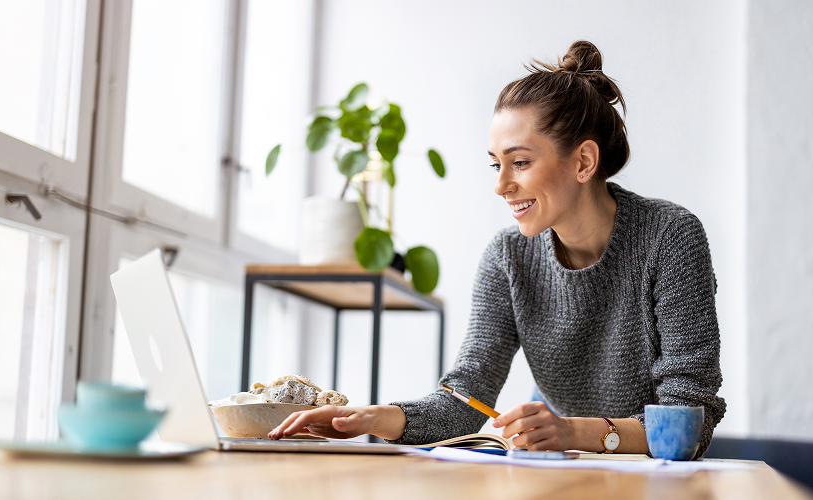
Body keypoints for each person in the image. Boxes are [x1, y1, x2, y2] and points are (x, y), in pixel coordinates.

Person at [269, 40, 726, 456]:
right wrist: (373, 419)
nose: (501, 186)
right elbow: (467, 398)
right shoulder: (508, 257)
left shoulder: (670, 237)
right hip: (561, 473)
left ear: (584, 161)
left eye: (519, 162)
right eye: (495, 165)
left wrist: (570, 432)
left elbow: (689, 421)